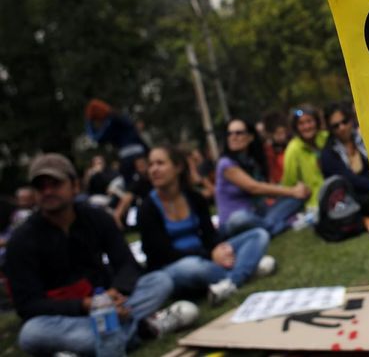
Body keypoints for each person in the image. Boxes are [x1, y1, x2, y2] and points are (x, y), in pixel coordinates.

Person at [4, 153, 195, 356]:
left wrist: (115, 293)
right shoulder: (22, 240)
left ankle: (93, 344)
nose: (48, 191)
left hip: (109, 304)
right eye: (41, 187)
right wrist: (85, 306)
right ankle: (141, 330)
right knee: (31, 333)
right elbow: (28, 305)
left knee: (160, 281)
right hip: (66, 316)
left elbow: (127, 264)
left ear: (75, 186)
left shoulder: (96, 217)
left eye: (55, 184)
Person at [139, 145, 276, 306]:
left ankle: (230, 281)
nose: (154, 169)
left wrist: (218, 250)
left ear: (178, 167)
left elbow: (210, 236)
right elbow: (162, 254)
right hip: (177, 266)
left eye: (160, 163)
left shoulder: (194, 198)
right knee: (193, 268)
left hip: (208, 258)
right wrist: (210, 255)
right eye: (151, 165)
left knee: (258, 235)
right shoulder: (147, 209)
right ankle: (244, 271)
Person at [215, 119, 309, 237]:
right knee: (239, 218)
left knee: (296, 198)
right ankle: (280, 225)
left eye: (238, 133)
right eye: (230, 134)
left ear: (250, 137)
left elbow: (268, 190)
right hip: (235, 221)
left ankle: (269, 225)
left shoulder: (252, 161)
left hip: (259, 214)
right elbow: (254, 187)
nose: (233, 137)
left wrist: (296, 191)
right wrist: (292, 191)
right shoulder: (225, 164)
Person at [320, 102, 369, 232]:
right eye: (336, 126)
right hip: (352, 197)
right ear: (330, 129)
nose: (342, 127)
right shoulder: (329, 153)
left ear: (351, 120)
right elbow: (349, 180)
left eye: (344, 122)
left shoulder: (362, 138)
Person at [85, 98, 149, 187]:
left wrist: (89, 122)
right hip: (138, 153)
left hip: (127, 157)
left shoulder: (109, 125)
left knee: (131, 185)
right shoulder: (117, 118)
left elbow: (95, 137)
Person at [281, 106, 328, 212]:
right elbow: (289, 183)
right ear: (296, 127)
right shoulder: (293, 149)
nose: (306, 126)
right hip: (313, 203)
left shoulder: (326, 138)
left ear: (316, 122)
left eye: (309, 121)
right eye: (301, 123)